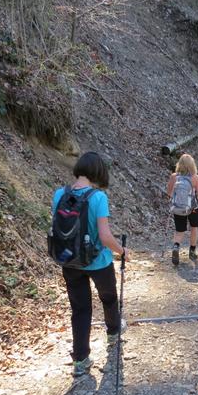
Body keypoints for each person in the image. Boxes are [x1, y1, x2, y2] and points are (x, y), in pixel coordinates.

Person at [51, 152, 129, 377]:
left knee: (81, 308)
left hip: (69, 260)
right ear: (98, 172)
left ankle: (81, 359)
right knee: (109, 297)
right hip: (98, 261)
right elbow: (105, 237)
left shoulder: (59, 194)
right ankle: (113, 331)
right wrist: (122, 251)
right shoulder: (98, 198)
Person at [166, 153, 198, 265]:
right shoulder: (195, 177)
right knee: (194, 228)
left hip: (178, 207)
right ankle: (192, 251)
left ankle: (176, 246)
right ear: (192, 165)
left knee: (179, 230)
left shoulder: (174, 176)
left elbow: (169, 193)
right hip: (192, 208)